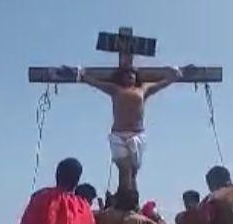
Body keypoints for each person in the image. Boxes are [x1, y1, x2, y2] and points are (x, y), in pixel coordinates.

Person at [60, 64, 183, 194]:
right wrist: (80, 74)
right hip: (118, 134)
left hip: (137, 134)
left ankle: (132, 199)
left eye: (132, 74)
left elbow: (162, 84)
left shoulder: (143, 89)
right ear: (121, 77)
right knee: (124, 169)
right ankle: (123, 197)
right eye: (126, 74)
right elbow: (96, 83)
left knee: (133, 172)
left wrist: (175, 75)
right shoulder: (115, 89)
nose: (129, 76)